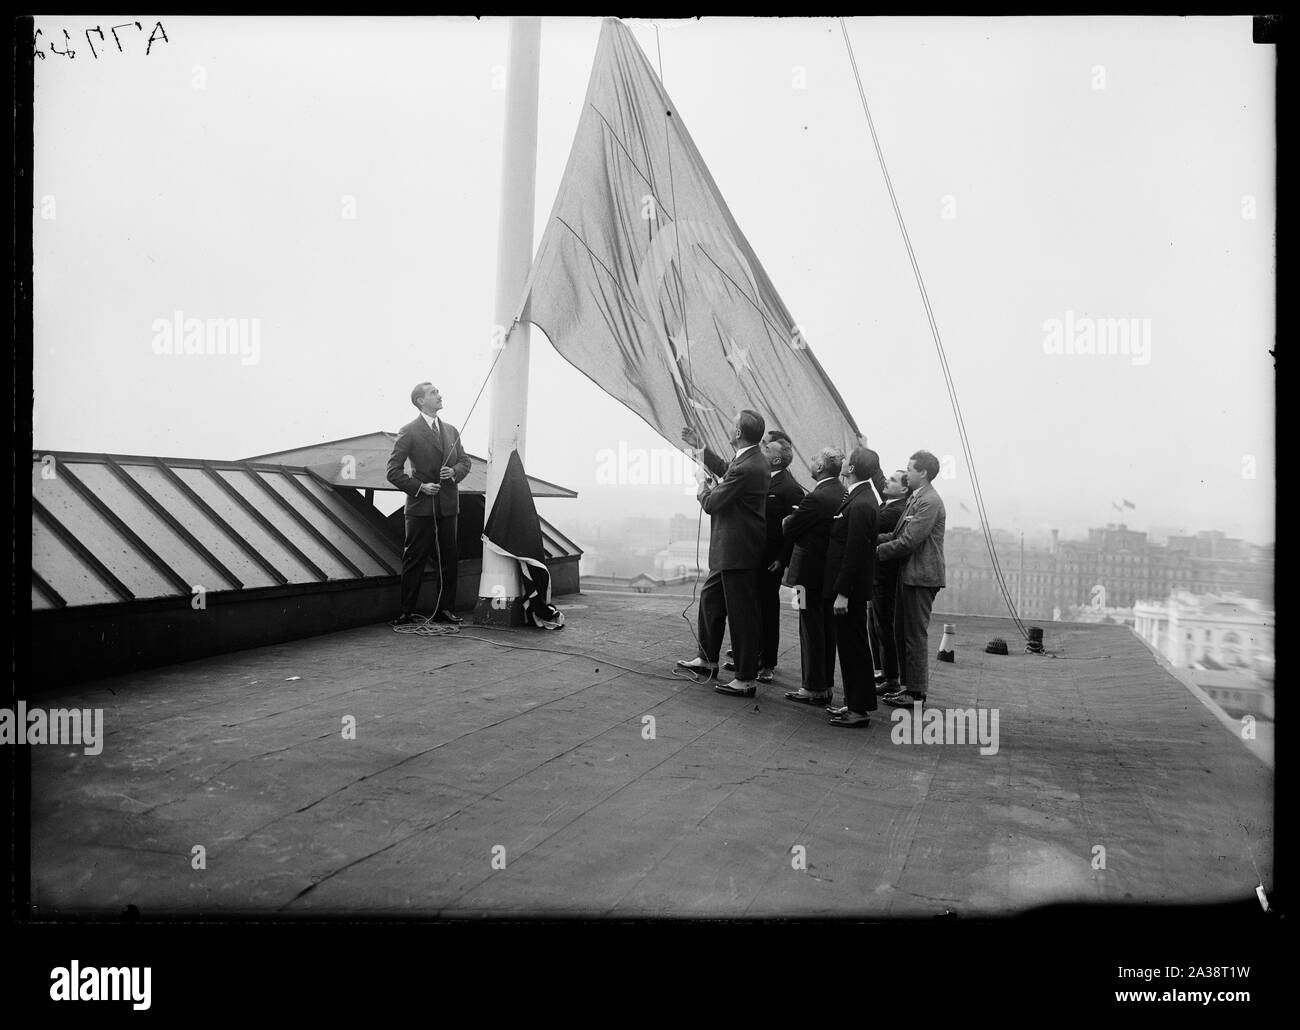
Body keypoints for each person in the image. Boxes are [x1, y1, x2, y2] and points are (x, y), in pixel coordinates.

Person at [675, 411, 768, 697]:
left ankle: (745, 678)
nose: (729, 428)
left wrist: (702, 488)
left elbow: (713, 503)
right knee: (710, 600)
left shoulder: (748, 466)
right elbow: (726, 468)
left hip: (737, 551)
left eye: (732, 424)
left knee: (741, 615)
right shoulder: (750, 460)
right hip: (734, 550)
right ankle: (707, 659)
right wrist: (699, 446)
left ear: (738, 433)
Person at [386, 382, 472, 625]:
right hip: (420, 508)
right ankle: (406, 612)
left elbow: (465, 462)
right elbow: (393, 472)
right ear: (420, 401)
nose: (439, 395)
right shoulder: (409, 431)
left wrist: (454, 471)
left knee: (449, 559)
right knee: (414, 559)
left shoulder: (452, 431)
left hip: (448, 506)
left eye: (438, 392)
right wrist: (420, 488)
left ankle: (445, 610)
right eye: (434, 393)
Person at [877, 451, 947, 707]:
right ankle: (908, 688)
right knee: (901, 632)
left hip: (921, 577)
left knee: (914, 634)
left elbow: (908, 541)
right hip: (910, 575)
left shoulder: (929, 501)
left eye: (910, 469)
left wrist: (875, 551)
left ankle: (916, 692)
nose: (906, 474)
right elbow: (897, 534)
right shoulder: (917, 498)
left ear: (923, 473)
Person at [780, 447, 846, 707]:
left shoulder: (817, 497)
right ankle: (824, 683)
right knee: (825, 628)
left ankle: (813, 686)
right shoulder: (842, 492)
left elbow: (790, 527)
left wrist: (789, 519)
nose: (811, 462)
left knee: (809, 628)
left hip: (807, 576)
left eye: (814, 459)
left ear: (820, 468)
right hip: (827, 574)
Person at [819, 446, 879, 727]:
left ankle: (858, 710)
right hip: (849, 588)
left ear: (852, 468)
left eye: (847, 460)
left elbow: (855, 552)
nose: (842, 461)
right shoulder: (860, 496)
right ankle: (854, 703)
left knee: (854, 647)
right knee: (851, 646)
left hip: (849, 591)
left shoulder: (862, 502)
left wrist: (842, 593)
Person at [870, 469, 912, 696]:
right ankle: (885, 672)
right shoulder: (891, 503)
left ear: (904, 489)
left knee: (883, 626)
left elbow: (872, 524)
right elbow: (880, 481)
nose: (887, 482)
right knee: (875, 625)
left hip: (884, 576)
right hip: (877, 574)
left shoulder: (895, 510)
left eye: (893, 480)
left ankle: (892, 678)